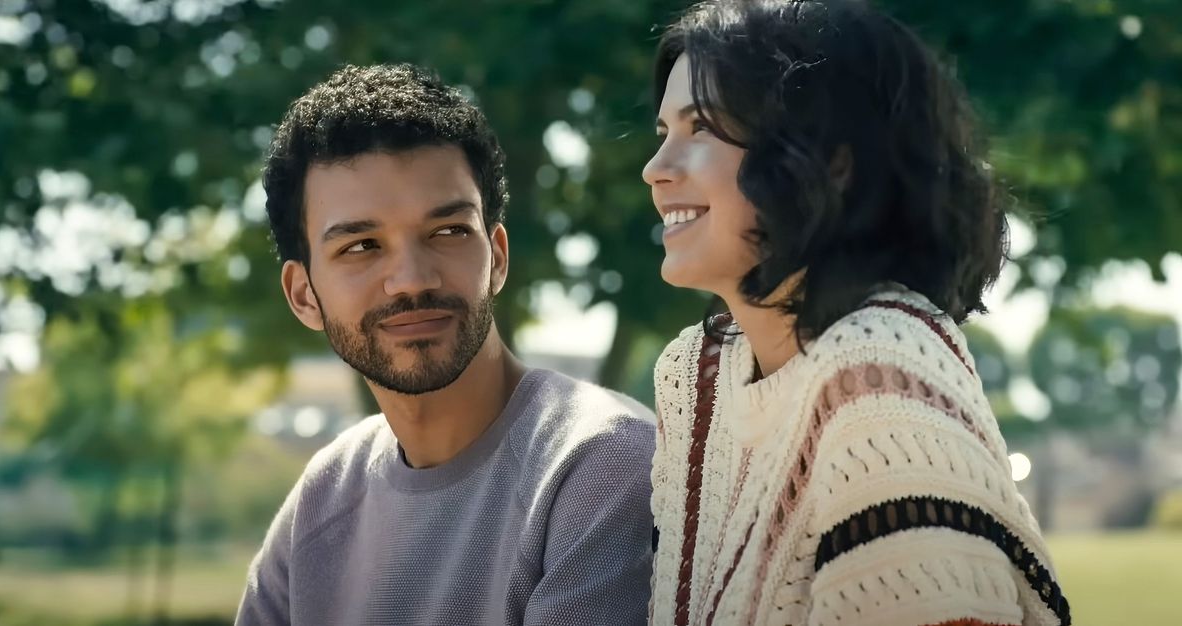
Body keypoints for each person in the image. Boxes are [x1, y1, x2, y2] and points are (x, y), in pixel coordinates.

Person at [642, 1, 1070, 624]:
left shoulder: (878, 374)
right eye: (663, 135)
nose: (656, 170)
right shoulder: (695, 377)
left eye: (702, 127)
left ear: (830, 163)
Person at [236, 63, 655, 625]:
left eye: (448, 232)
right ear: (304, 294)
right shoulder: (324, 499)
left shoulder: (600, 464)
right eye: (361, 246)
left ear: (497, 256)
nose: (412, 278)